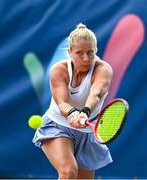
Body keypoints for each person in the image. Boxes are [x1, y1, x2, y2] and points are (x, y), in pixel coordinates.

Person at [33, 23, 113, 179]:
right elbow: (62, 102)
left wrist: (85, 112)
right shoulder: (59, 70)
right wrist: (72, 113)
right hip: (58, 126)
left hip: (87, 133)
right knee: (69, 172)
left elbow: (95, 94)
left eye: (90, 52)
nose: (86, 58)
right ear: (69, 52)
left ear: (96, 50)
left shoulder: (103, 69)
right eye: (79, 53)